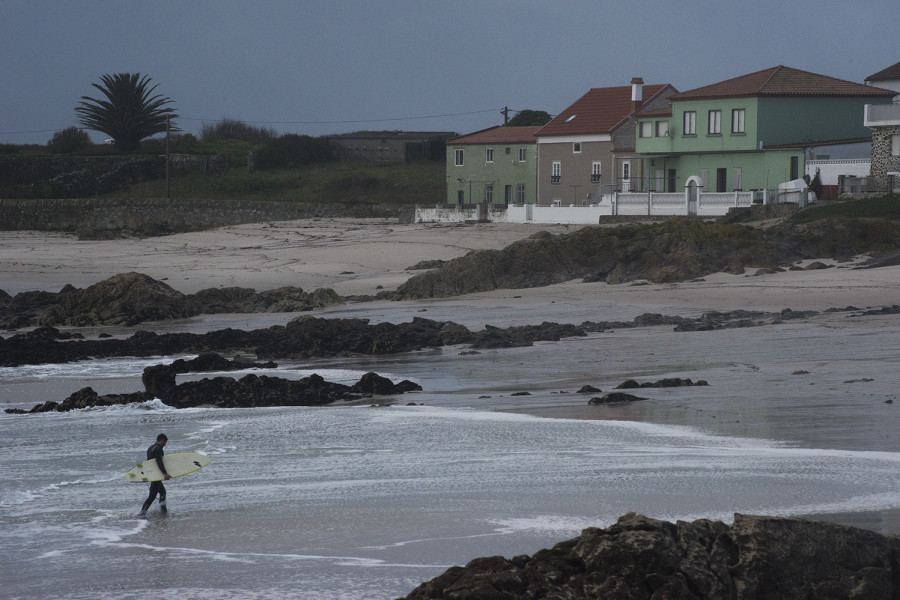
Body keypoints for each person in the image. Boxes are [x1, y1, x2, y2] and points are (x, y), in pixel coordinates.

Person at [139, 433, 171, 516]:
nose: (165, 444)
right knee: (152, 496)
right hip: (156, 475)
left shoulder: (150, 448)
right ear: (162, 440)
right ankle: (142, 513)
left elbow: (149, 463)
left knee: (163, 492)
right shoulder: (158, 449)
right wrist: (164, 473)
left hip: (152, 473)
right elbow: (159, 462)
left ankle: (163, 511)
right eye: (165, 442)